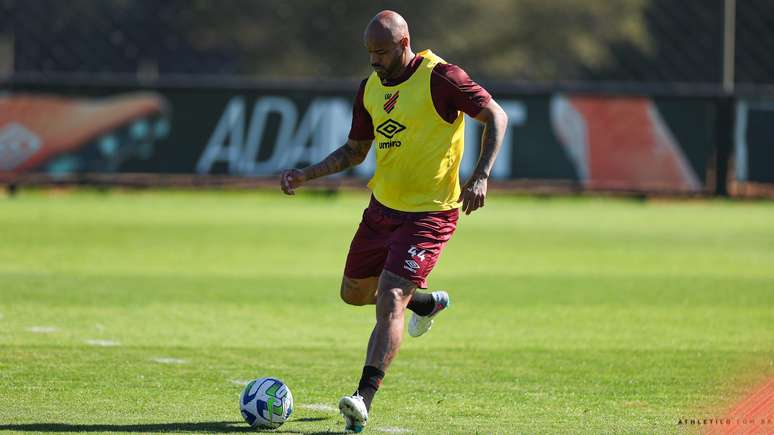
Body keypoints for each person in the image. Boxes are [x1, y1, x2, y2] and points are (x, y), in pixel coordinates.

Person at [280, 10, 507, 433]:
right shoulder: (369, 89)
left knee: (388, 298)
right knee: (353, 293)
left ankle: (362, 399)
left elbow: (497, 116)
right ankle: (425, 302)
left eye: (381, 53)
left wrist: (481, 175)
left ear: (404, 44)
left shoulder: (442, 78)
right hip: (382, 209)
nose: (374, 61)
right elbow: (354, 151)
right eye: (369, 54)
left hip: (430, 213)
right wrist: (304, 174)